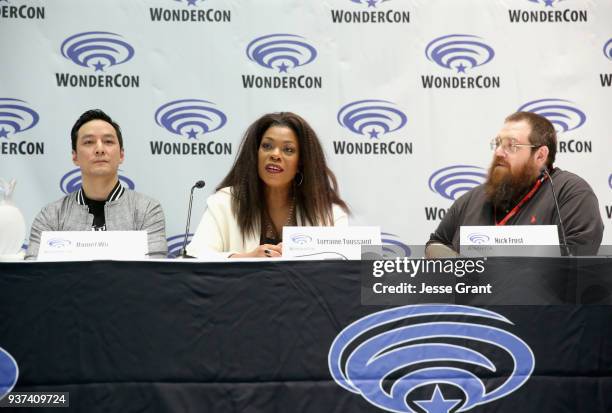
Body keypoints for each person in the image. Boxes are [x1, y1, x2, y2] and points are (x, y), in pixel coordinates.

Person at [427, 111, 603, 256]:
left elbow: (578, 260)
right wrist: (466, 271)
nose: (498, 152)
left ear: (540, 155)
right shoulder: (472, 199)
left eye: (511, 146)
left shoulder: (570, 193)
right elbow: (435, 244)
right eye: (497, 144)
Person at [187, 112, 349, 258]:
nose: (275, 155)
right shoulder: (225, 203)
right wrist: (246, 259)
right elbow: (195, 255)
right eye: (267, 146)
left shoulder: (327, 212)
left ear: (301, 162)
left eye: (288, 150)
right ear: (255, 153)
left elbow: (352, 266)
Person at [25, 109, 168, 259]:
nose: (99, 149)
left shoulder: (147, 211)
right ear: (75, 156)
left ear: (121, 155)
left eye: (108, 141)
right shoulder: (51, 216)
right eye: (89, 142)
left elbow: (154, 275)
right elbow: (35, 276)